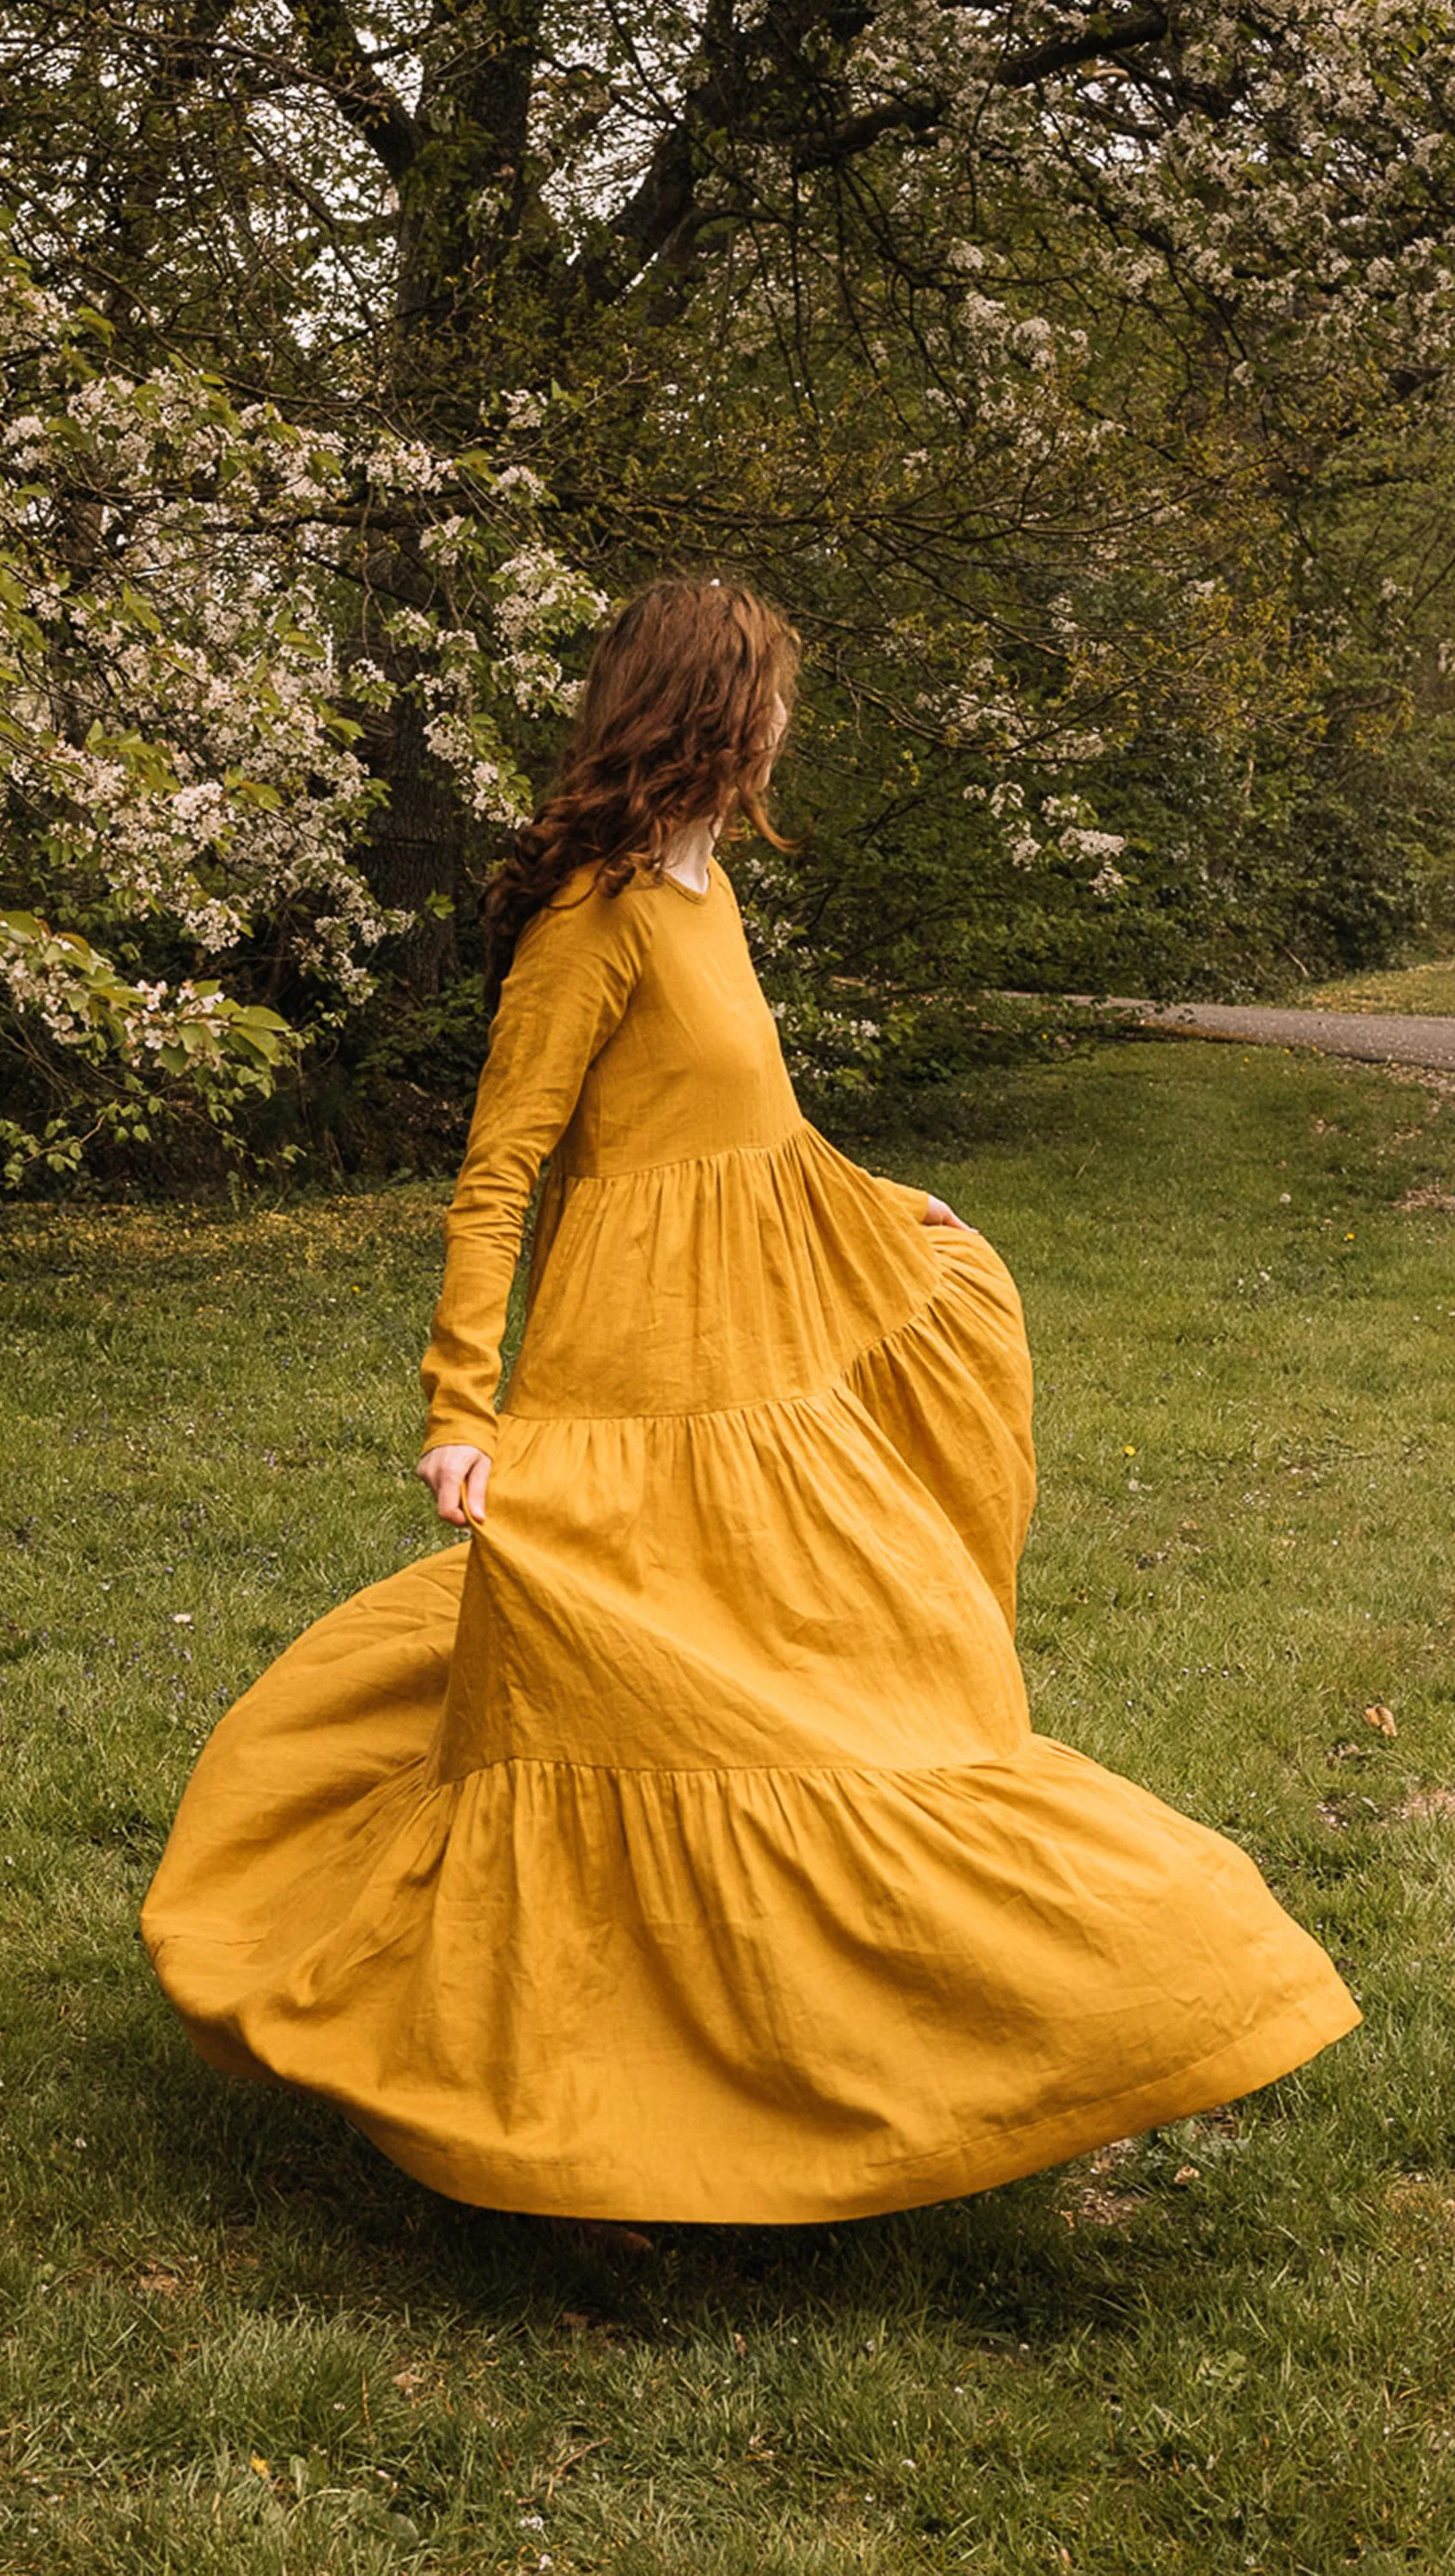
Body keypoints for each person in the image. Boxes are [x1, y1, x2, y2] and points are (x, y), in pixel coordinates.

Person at [141, 576, 1360, 2226]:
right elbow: (500, 1173)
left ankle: (900, 2054)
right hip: (628, 1401)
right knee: (637, 1732)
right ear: (715, 710)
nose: (791, 722)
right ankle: (584, 2120)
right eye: (776, 693)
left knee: (862, 1700)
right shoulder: (596, 917)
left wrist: (884, 1214)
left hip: (758, 1383)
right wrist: (458, 1408)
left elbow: (746, 1140)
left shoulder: (711, 900)